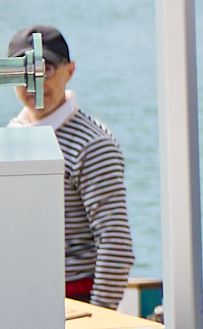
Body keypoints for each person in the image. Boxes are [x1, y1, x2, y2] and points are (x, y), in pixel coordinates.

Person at [12, 24, 131, 309]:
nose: (34, 82)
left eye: (46, 70)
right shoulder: (11, 135)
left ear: (70, 71)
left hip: (75, 299)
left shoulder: (92, 144)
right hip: (21, 296)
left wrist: (99, 319)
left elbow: (115, 243)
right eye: (22, 71)